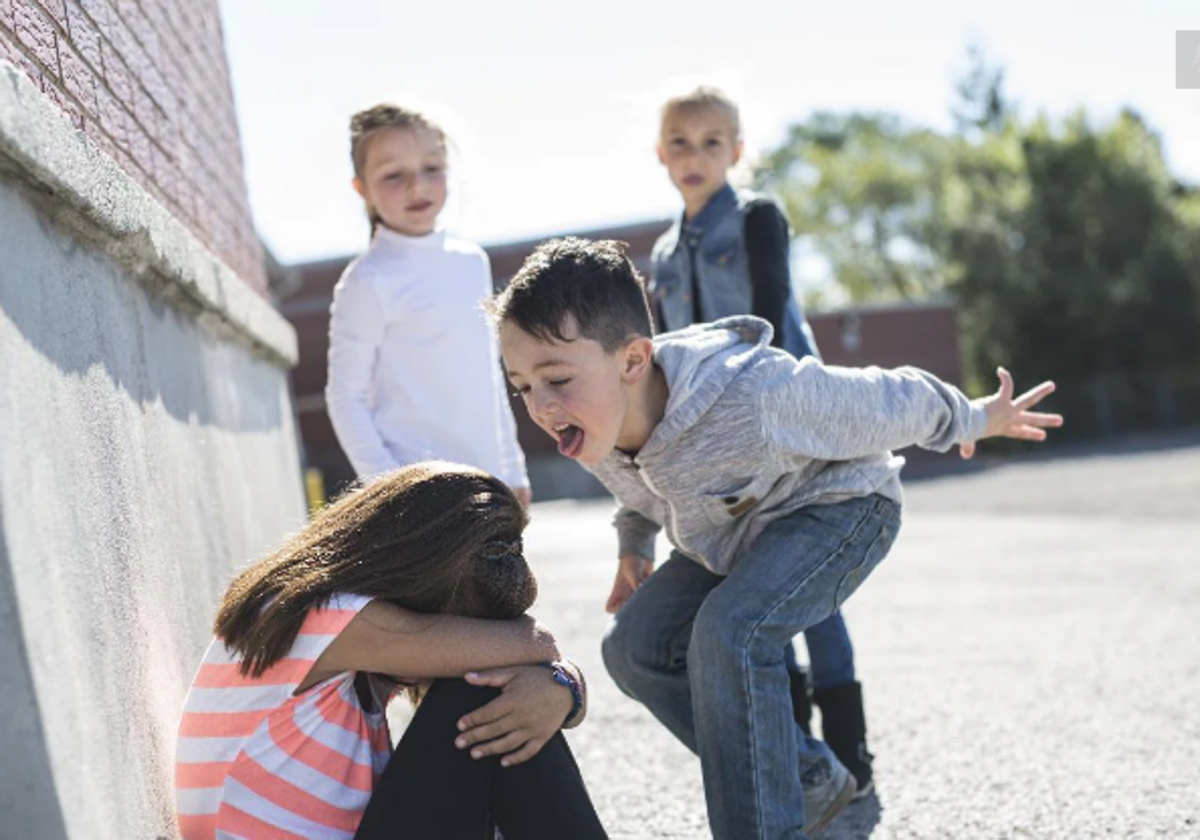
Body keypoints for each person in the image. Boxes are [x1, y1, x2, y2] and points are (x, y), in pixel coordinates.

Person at [489, 237, 1061, 839]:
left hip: (840, 509)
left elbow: (891, 398)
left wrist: (974, 418)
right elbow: (638, 491)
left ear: (633, 361)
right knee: (633, 647)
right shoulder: (591, 421)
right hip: (734, 533)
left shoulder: (753, 395)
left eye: (555, 379)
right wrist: (635, 545)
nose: (542, 407)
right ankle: (806, 776)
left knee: (730, 633)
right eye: (522, 386)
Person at [174, 462, 607, 839]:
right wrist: (555, 676)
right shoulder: (321, 615)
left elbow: (535, 658)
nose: (460, 636)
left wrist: (562, 686)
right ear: (420, 574)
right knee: (480, 690)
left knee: (502, 698)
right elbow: (538, 645)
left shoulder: (343, 635)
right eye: (459, 623)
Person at [647, 85, 871, 795]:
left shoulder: (756, 219)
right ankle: (802, 757)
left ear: (737, 152)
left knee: (812, 593)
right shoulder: (660, 253)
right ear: (661, 154)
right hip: (714, 446)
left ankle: (851, 754)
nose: (696, 155)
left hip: (789, 426)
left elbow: (771, 315)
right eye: (681, 142)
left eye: (713, 142)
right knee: (754, 589)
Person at [326, 103, 530, 504]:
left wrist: (512, 468)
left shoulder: (472, 262)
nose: (417, 187)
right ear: (362, 188)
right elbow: (344, 397)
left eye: (431, 169)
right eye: (393, 175)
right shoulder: (368, 280)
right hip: (420, 498)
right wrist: (389, 488)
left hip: (489, 484)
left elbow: (488, 376)